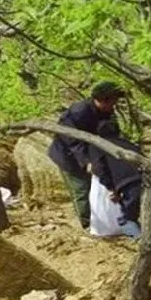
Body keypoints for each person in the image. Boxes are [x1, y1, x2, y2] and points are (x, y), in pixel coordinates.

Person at [48, 81, 126, 229]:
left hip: (91, 152)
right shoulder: (79, 112)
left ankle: (105, 220)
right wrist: (86, 161)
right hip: (68, 156)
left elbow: (112, 134)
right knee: (82, 188)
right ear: (102, 100)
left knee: (98, 186)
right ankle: (87, 224)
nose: (114, 105)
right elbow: (70, 138)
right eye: (112, 101)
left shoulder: (107, 112)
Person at [89, 119, 143, 239]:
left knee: (127, 217)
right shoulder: (129, 144)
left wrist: (111, 189)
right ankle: (140, 234)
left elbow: (99, 169)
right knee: (138, 211)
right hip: (144, 179)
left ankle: (137, 238)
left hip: (127, 182)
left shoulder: (98, 146)